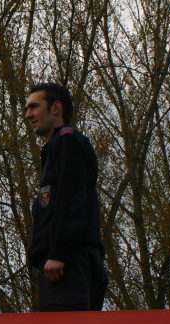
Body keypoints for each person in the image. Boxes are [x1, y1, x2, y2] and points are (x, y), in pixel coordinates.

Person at [24, 82, 107, 311]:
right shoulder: (55, 147)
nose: (28, 115)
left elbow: (71, 199)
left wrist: (59, 253)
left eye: (34, 107)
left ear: (56, 108)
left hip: (68, 265)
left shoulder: (67, 141)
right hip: (61, 265)